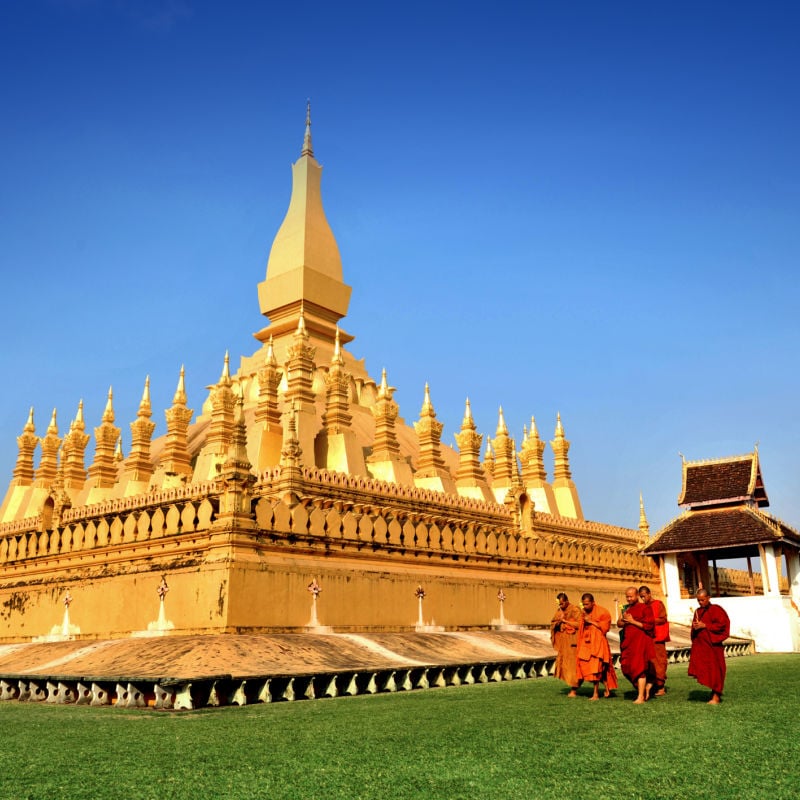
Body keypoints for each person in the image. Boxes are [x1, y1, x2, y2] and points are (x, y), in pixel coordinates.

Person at [688, 588, 731, 704]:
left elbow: (722, 626)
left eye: (702, 600)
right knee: (706, 669)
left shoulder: (716, 609)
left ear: (708, 598)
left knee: (716, 669)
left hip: (713, 646)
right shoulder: (698, 611)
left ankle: (716, 695)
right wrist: (696, 627)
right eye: (698, 600)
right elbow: (694, 628)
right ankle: (713, 693)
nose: (700, 603)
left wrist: (705, 625)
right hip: (702, 646)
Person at [576, 592, 618, 700]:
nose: (585, 606)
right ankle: (607, 688)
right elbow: (581, 627)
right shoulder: (583, 612)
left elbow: (604, 628)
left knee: (597, 668)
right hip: (587, 644)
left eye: (587, 604)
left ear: (593, 603)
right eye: (583, 604)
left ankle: (595, 693)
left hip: (598, 644)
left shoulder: (603, 612)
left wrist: (591, 621)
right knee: (590, 667)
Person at [617, 586, 656, 703]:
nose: (628, 599)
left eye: (631, 596)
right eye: (627, 596)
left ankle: (640, 697)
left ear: (637, 596)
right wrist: (624, 620)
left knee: (639, 668)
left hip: (640, 642)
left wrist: (632, 621)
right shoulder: (625, 609)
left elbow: (649, 626)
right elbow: (619, 623)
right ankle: (646, 688)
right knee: (625, 667)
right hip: (628, 642)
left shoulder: (645, 608)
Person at [550, 592, 583, 697]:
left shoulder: (575, 610)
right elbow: (553, 623)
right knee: (566, 665)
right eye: (559, 604)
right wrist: (559, 622)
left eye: (562, 604)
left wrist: (565, 621)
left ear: (567, 601)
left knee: (574, 666)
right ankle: (573, 687)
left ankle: (574, 689)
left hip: (574, 642)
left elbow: (580, 624)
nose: (560, 606)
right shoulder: (559, 611)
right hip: (564, 643)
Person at [639, 585, 669, 696]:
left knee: (659, 662)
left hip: (657, 637)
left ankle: (661, 687)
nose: (643, 599)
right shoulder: (642, 607)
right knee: (649, 662)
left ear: (649, 594)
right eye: (641, 597)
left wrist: (650, 620)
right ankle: (651, 685)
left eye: (644, 596)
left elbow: (663, 619)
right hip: (647, 638)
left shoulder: (658, 604)